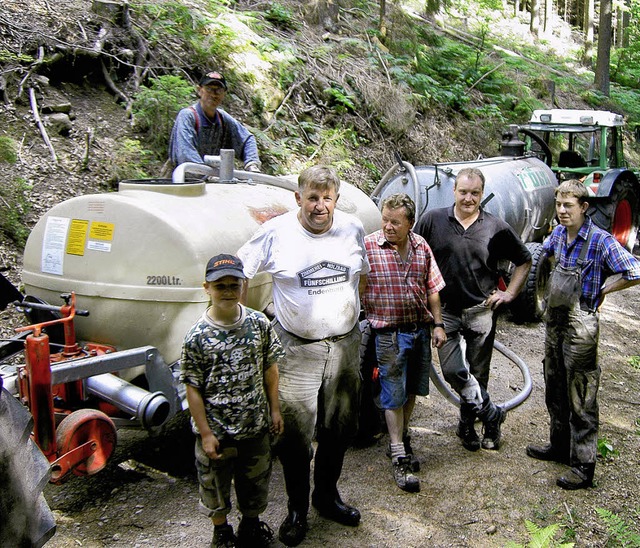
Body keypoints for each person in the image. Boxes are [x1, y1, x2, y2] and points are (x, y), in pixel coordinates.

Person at [237, 164, 369, 547]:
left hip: (345, 346)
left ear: (336, 200)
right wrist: (245, 328)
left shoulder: (352, 228)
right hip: (295, 350)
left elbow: (360, 274)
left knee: (340, 429)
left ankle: (326, 497)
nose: (319, 206)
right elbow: (239, 270)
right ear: (298, 197)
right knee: (294, 437)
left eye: (327, 198)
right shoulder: (276, 232)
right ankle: (297, 509)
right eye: (312, 197)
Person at [526, 180, 640, 490]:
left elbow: (635, 271)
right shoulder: (559, 234)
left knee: (581, 393)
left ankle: (583, 464)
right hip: (556, 323)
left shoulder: (600, 241)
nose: (562, 211)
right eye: (559, 205)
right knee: (555, 385)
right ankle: (559, 446)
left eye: (568, 206)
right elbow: (541, 254)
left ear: (584, 208)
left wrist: (606, 288)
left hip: (581, 326)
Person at [414, 167, 532, 452]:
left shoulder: (496, 227)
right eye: (463, 192)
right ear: (453, 191)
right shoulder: (432, 220)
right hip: (445, 312)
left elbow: (525, 260)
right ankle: (493, 414)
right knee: (454, 370)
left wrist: (510, 292)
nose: (468, 198)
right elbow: (414, 253)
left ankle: (468, 424)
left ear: (482, 194)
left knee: (479, 372)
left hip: (481, 310)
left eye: (475, 193)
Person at [180, 254, 284, 548]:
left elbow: (270, 369)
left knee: (256, 480)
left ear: (243, 286)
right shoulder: (197, 337)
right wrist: (206, 433)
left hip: (254, 426)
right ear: (206, 288)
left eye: (234, 285)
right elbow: (193, 388)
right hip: (217, 433)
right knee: (214, 486)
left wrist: (274, 410)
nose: (227, 291)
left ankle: (251, 526)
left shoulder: (259, 324)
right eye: (220, 285)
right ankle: (222, 532)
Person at [362, 193, 446, 493]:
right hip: (389, 335)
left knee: (412, 389)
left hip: (420, 330)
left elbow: (433, 289)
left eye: (395, 222)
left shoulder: (421, 246)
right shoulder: (368, 247)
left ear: (410, 223)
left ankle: (402, 436)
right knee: (392, 392)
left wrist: (437, 325)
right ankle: (398, 453)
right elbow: (356, 285)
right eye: (385, 220)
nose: (388, 227)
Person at [167, 70, 261, 173]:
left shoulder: (222, 119)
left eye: (218, 90)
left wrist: (252, 164)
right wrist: (205, 173)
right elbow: (185, 154)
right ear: (199, 90)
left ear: (224, 93)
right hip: (185, 182)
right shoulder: (188, 116)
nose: (214, 94)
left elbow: (247, 139)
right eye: (209, 89)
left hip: (213, 182)